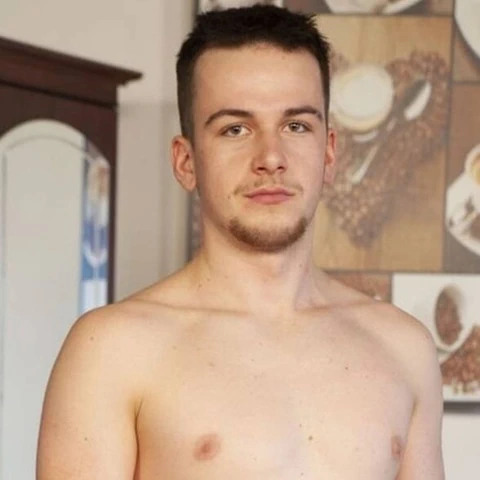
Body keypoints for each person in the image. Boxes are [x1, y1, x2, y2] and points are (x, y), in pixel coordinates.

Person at [37, 5, 445, 479]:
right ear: (186, 162)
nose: (270, 157)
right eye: (235, 128)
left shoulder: (405, 348)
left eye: (296, 126)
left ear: (330, 153)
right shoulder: (110, 351)